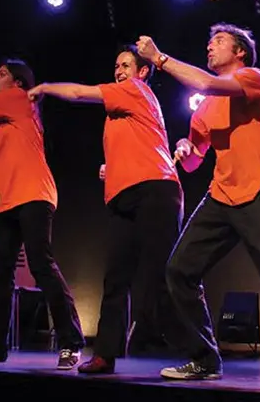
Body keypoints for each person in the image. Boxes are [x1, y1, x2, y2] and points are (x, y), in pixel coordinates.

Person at [133, 24, 260, 389]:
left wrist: (159, 58)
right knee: (179, 270)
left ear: (240, 52)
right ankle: (205, 359)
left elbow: (207, 83)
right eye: (209, 42)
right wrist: (187, 148)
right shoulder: (204, 107)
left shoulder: (254, 78)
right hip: (221, 196)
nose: (210, 46)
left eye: (219, 41)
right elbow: (195, 161)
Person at [26, 45, 184, 374]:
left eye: (126, 65)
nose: (119, 71)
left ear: (142, 72)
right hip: (126, 195)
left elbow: (77, 93)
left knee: (161, 278)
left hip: (155, 190)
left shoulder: (134, 90)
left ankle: (202, 352)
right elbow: (141, 144)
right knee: (115, 278)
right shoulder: (121, 110)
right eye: (116, 66)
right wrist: (111, 168)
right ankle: (105, 354)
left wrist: (45, 88)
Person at [0, 59, 84, 369]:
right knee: (1, 274)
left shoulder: (17, 98)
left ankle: (71, 343)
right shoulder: (9, 125)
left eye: (3, 74)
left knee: (41, 265)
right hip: (11, 200)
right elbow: (10, 172)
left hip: (35, 195)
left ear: (19, 83)